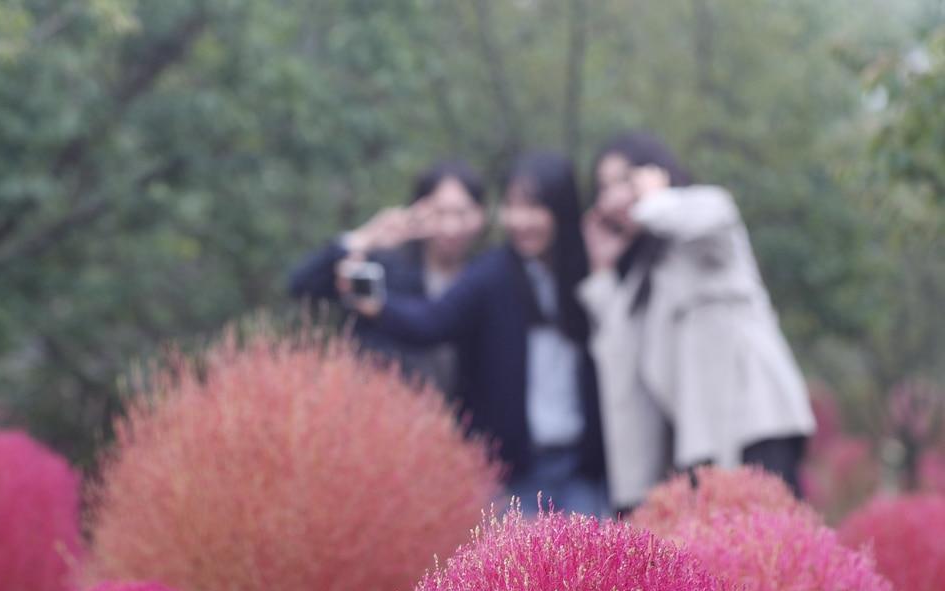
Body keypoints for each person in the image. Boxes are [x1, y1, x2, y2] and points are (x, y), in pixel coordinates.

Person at [346, 151, 608, 516]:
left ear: (561, 210)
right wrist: (376, 305)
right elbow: (432, 321)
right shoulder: (493, 275)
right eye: (513, 206)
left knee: (597, 571)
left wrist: (607, 267)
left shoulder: (585, 273)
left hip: (583, 469)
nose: (520, 221)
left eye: (534, 208)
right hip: (516, 471)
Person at [580, 131, 815, 512]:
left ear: (655, 174)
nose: (613, 198)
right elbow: (620, 367)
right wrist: (604, 271)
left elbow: (711, 213)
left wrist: (653, 199)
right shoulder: (646, 271)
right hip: (703, 440)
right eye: (604, 187)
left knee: (774, 549)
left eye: (624, 180)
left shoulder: (704, 227)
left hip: (757, 423)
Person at [287, 161, 487, 391]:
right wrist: (365, 238)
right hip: (389, 405)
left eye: (462, 213)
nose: (451, 226)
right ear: (418, 209)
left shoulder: (487, 275)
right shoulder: (387, 268)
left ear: (480, 214)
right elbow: (302, 285)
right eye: (439, 212)